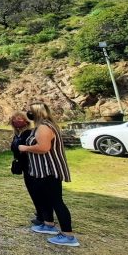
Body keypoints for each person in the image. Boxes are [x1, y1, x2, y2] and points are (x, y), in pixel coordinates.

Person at [18, 102, 80, 247]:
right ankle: (49, 224)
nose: (28, 113)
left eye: (30, 111)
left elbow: (44, 147)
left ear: (37, 112)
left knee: (56, 202)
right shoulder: (41, 126)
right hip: (41, 171)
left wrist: (25, 147)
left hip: (49, 170)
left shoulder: (45, 127)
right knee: (45, 199)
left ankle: (68, 235)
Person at [10, 111, 42, 227]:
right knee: (32, 190)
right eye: (14, 119)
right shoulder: (17, 134)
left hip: (32, 165)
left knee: (36, 190)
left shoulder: (30, 133)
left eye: (19, 118)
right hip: (24, 166)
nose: (17, 121)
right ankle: (41, 212)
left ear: (25, 121)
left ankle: (43, 216)